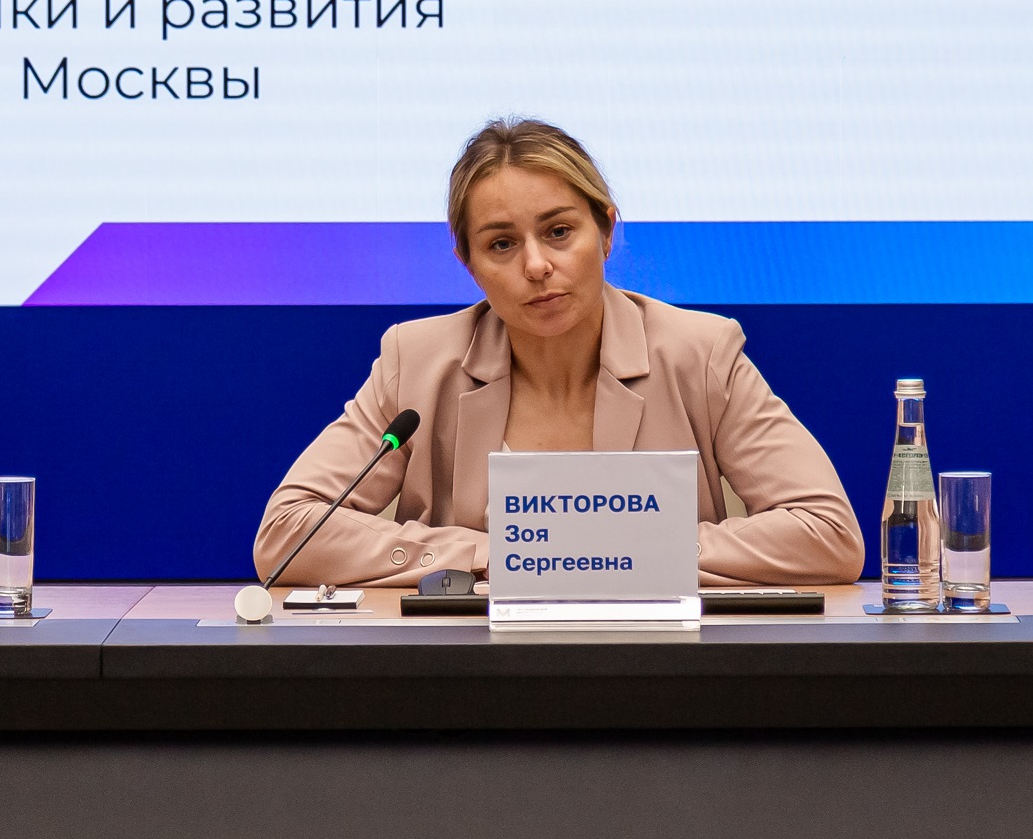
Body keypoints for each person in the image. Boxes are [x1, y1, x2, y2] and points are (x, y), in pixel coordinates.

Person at [255, 119, 863, 587]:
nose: (537, 265)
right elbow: (286, 534)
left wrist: (618, 553)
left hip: (663, 668)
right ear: (467, 263)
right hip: (464, 672)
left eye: (559, 232)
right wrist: (495, 554)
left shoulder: (699, 354)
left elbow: (829, 534)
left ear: (607, 230)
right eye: (501, 244)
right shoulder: (416, 362)